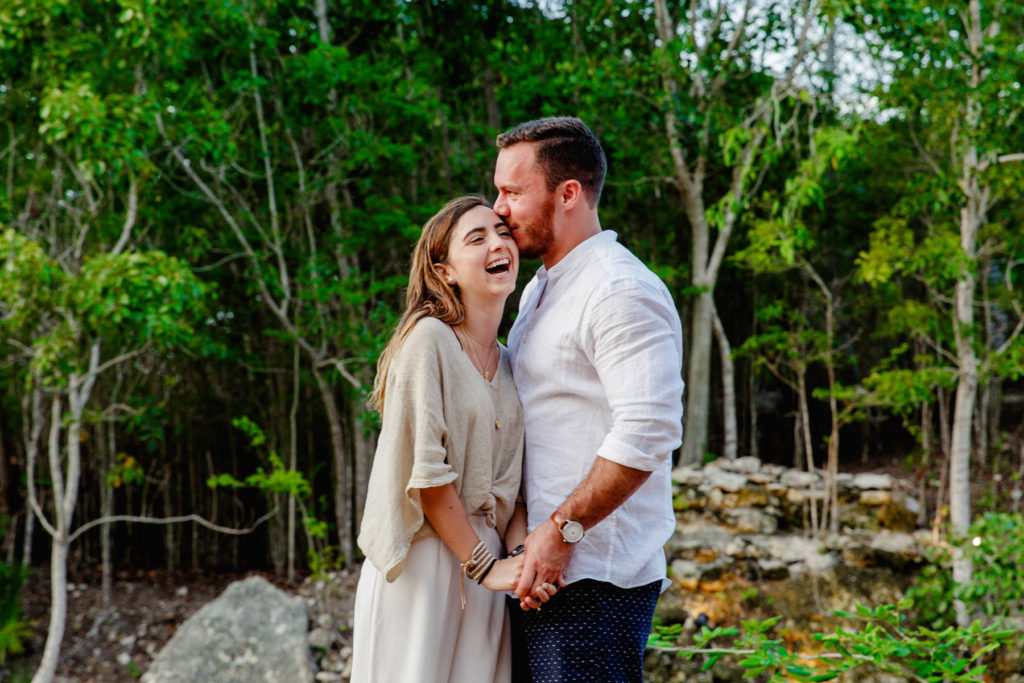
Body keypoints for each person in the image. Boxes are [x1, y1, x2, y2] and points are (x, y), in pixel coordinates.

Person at [493, 117, 685, 681]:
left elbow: (648, 431)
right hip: (540, 573)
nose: (499, 207)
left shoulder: (619, 289)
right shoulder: (541, 288)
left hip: (595, 578)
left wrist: (561, 532)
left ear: (568, 193)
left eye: (512, 192)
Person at [351, 196, 555, 682]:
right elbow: (428, 476)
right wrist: (486, 566)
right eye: (477, 237)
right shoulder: (428, 340)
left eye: (502, 232)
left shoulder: (510, 361)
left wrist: (524, 565)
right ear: (445, 272)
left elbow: (514, 489)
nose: (499, 242)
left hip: (487, 577)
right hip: (426, 565)